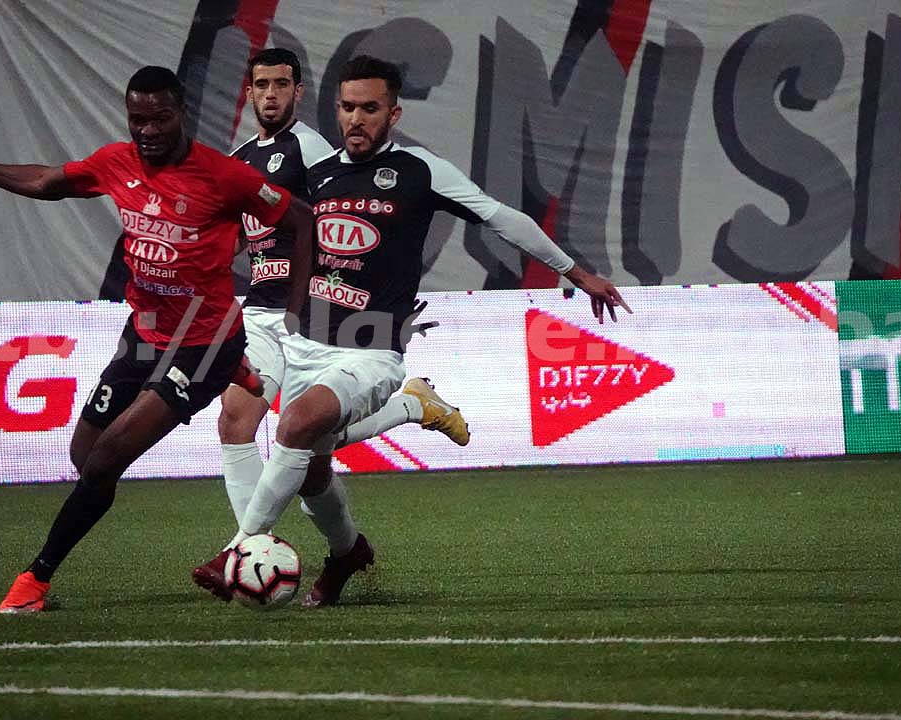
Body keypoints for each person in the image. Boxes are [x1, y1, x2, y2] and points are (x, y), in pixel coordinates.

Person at [198, 54, 631, 608]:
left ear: (393, 113)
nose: (357, 119)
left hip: (372, 350)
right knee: (311, 474)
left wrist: (576, 272)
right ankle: (348, 550)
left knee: (297, 425)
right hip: (308, 342)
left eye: (370, 109)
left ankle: (237, 550)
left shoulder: (419, 170)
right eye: (348, 107)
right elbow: (282, 241)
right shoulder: (320, 174)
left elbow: (502, 217)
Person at [0, 65, 314, 614]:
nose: (147, 130)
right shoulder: (115, 162)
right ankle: (239, 368)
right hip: (143, 333)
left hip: (203, 344)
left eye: (159, 118)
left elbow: (302, 221)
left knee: (104, 462)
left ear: (182, 113)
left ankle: (34, 581)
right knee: (84, 457)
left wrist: (296, 310)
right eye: (137, 119)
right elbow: (46, 182)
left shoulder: (224, 175)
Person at [191, 50, 470, 601]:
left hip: (314, 320)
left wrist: (376, 309)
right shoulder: (239, 159)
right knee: (237, 421)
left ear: (298, 92)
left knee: (307, 446)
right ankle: (286, 552)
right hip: (260, 312)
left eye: (282, 84)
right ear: (249, 93)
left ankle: (245, 552)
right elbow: (234, 236)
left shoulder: (317, 151)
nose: (271, 94)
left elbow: (356, 227)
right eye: (261, 85)